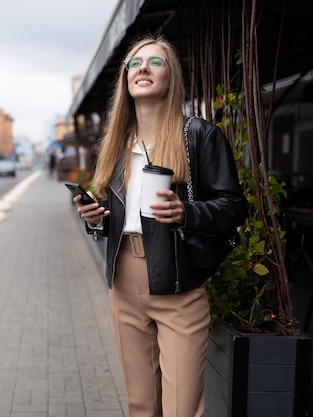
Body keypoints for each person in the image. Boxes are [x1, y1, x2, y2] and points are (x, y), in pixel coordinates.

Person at [73, 35, 247, 417]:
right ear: (125, 80)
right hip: (123, 280)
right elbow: (123, 212)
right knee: (141, 404)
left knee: (181, 408)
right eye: (134, 64)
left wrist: (187, 212)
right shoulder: (117, 143)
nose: (143, 69)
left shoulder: (199, 136)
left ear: (172, 77)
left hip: (178, 282)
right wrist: (97, 218)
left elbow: (234, 207)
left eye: (155, 62)